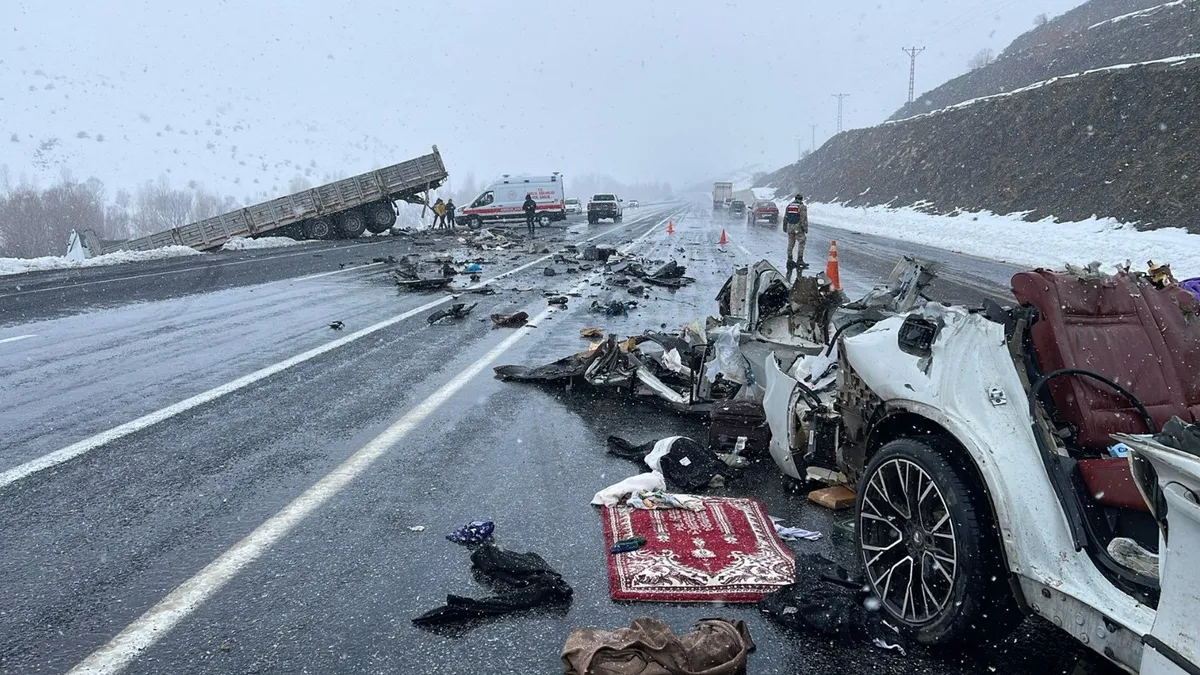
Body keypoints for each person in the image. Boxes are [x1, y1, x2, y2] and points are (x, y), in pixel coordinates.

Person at [783, 193, 809, 280]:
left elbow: (785, 217)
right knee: (802, 241)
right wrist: (805, 228)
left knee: (790, 243)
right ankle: (799, 259)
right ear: (801, 199)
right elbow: (803, 218)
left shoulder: (789, 206)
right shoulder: (801, 206)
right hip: (798, 228)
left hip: (790, 227)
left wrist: (784, 226)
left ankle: (789, 259)